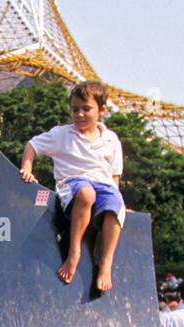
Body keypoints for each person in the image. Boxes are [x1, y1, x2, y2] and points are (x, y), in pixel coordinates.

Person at [20, 80, 125, 291]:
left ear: (101, 110)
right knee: (86, 194)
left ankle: (106, 262)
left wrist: (118, 198)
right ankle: (74, 251)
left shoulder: (111, 139)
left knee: (115, 205)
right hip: (73, 183)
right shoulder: (62, 134)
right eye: (75, 109)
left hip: (103, 184)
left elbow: (114, 175)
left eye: (86, 109)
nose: (79, 114)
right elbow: (32, 144)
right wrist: (27, 168)